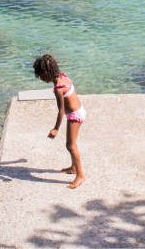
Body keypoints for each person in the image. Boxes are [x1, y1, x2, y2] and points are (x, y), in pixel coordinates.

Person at [34, 53, 86, 189]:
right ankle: (73, 168)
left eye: (41, 75)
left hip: (75, 115)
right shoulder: (63, 77)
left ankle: (80, 175)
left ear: (47, 73)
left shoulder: (59, 88)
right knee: (70, 144)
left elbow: (61, 110)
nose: (40, 78)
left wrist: (56, 128)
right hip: (77, 111)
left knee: (71, 145)